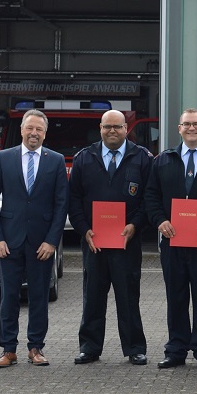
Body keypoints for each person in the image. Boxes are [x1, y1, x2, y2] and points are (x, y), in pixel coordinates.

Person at [144, 109, 197, 370]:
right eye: (186, 124)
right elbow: (150, 196)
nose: (191, 128)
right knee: (176, 297)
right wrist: (161, 221)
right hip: (173, 241)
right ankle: (176, 349)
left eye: (196, 124)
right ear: (179, 128)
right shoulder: (164, 160)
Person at [67, 110, 153, 366]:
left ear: (127, 128)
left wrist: (135, 225)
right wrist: (84, 230)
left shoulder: (141, 158)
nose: (112, 131)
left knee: (128, 298)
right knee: (92, 297)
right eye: (107, 127)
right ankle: (90, 348)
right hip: (94, 243)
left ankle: (135, 348)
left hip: (127, 242)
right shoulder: (85, 158)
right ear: (100, 128)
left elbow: (149, 199)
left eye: (117, 127)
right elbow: (74, 200)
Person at [0, 109, 68, 368]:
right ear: (21, 130)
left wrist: (52, 241)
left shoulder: (55, 161)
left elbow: (61, 204)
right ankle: (8, 350)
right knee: (9, 296)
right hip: (8, 242)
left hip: (41, 243)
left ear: (45, 133)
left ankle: (36, 348)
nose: (34, 133)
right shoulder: (3, 158)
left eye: (39, 130)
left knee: (39, 297)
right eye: (30, 128)